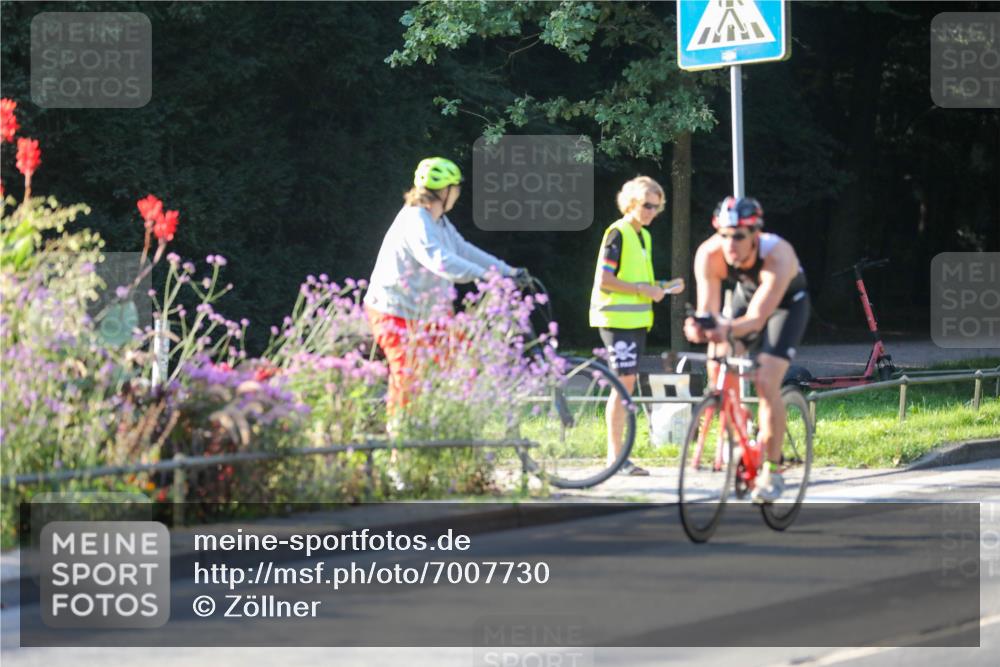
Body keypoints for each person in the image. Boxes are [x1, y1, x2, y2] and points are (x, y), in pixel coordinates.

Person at [364, 156, 527, 411]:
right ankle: (400, 444)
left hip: (427, 313)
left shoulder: (437, 220)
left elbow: (461, 249)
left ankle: (439, 423)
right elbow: (439, 260)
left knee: (465, 360)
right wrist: (485, 276)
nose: (458, 194)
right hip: (394, 312)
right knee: (408, 376)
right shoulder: (416, 220)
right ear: (445, 191)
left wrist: (508, 271)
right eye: (456, 188)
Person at [683, 196, 810, 503]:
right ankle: (741, 427)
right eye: (724, 234)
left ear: (756, 234)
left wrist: (723, 328)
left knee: (766, 380)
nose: (730, 244)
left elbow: (756, 319)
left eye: (739, 236)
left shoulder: (778, 254)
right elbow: (710, 313)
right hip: (746, 296)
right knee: (718, 359)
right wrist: (699, 327)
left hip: (785, 307)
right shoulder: (709, 254)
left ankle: (772, 467)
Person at [589, 176, 683, 476]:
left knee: (626, 385)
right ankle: (615, 458)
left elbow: (637, 280)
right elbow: (606, 280)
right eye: (646, 205)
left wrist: (664, 286)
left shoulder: (644, 235)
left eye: (656, 207)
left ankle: (617, 457)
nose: (651, 212)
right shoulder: (617, 233)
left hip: (635, 322)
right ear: (630, 202)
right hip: (616, 321)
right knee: (623, 385)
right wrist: (646, 290)